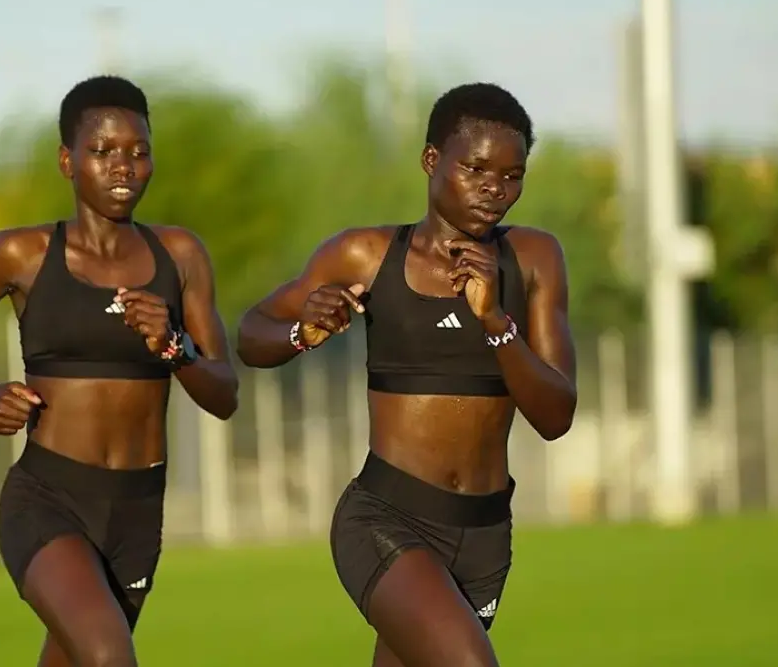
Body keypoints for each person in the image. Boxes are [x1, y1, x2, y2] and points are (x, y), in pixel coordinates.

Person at [236, 82, 577, 667]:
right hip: (386, 519)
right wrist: (301, 332)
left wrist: (495, 320)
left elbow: (555, 415)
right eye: (475, 168)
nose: (495, 189)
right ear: (430, 161)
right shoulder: (365, 255)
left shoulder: (535, 260)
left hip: (485, 534)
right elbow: (250, 335)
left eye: (512, 175)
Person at [0, 75, 238, 667]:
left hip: (137, 509)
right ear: (68, 160)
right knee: (109, 656)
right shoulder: (21, 254)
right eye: (103, 152)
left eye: (139, 153)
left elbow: (224, 394)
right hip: (48, 498)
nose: (123, 167)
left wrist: (173, 347)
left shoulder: (181, 256)